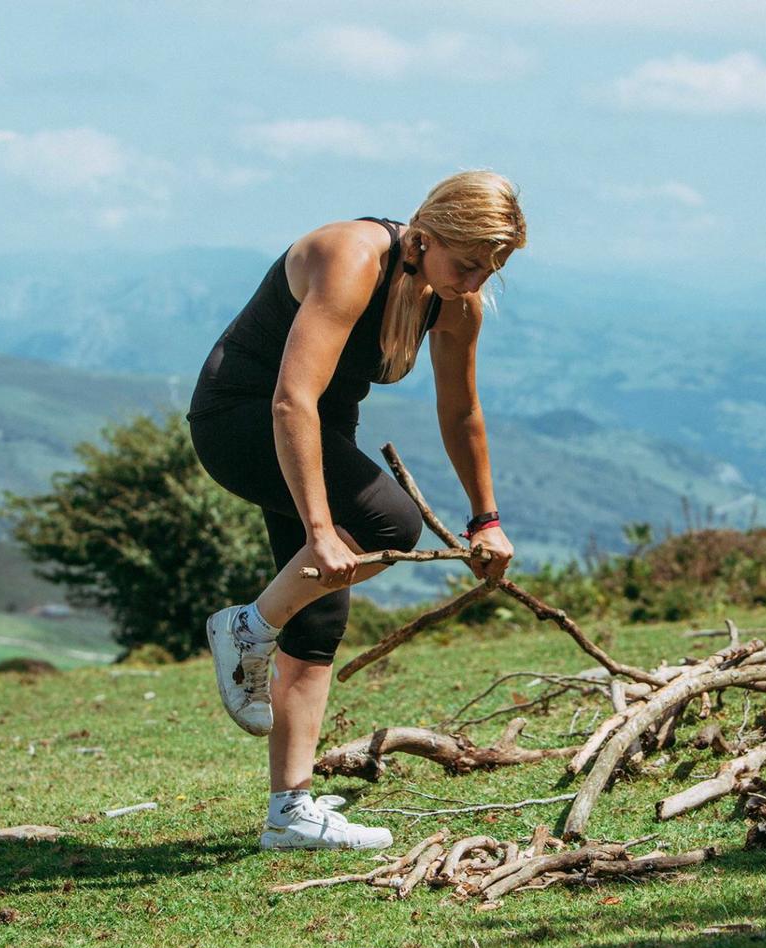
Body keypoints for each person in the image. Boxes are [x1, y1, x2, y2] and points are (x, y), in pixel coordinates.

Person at [187, 170, 526, 851]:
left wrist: (485, 518)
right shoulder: (351, 257)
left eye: (489, 270)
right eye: (466, 265)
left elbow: (461, 412)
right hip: (243, 420)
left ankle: (290, 812)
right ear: (426, 236)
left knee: (320, 617)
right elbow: (291, 400)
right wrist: (318, 528)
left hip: (316, 433)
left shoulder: (455, 300)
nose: (473, 283)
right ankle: (246, 629)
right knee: (387, 526)